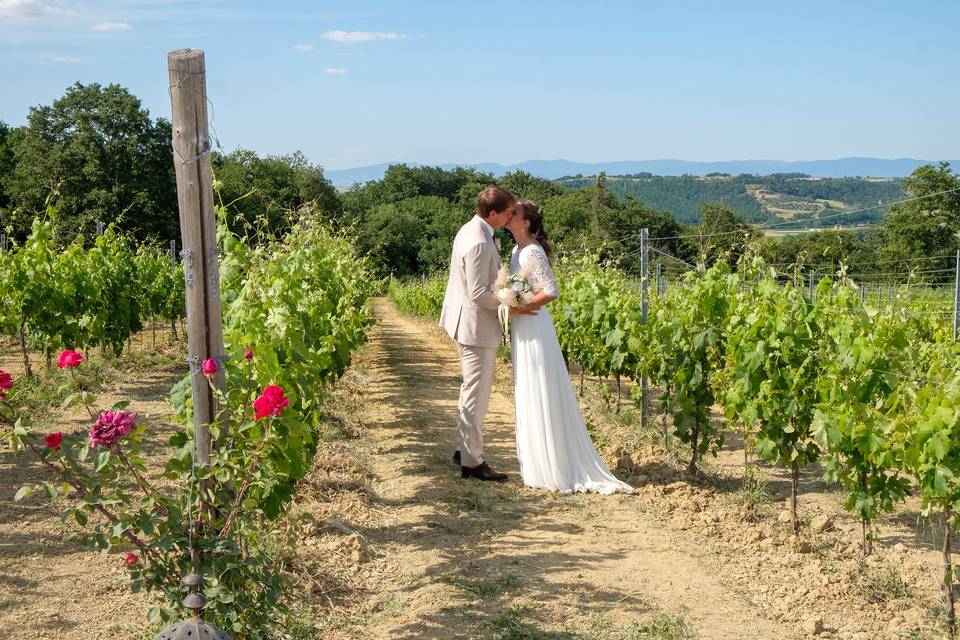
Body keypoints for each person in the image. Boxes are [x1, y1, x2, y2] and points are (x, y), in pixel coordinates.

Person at [504, 199, 633, 494]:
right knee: (528, 387)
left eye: (515, 213)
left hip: (534, 326)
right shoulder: (516, 251)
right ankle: (537, 462)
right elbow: (524, 288)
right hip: (523, 325)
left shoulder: (533, 251)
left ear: (525, 223)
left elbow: (551, 291)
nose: (509, 216)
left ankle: (555, 465)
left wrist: (520, 308)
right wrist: (512, 302)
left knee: (541, 386)